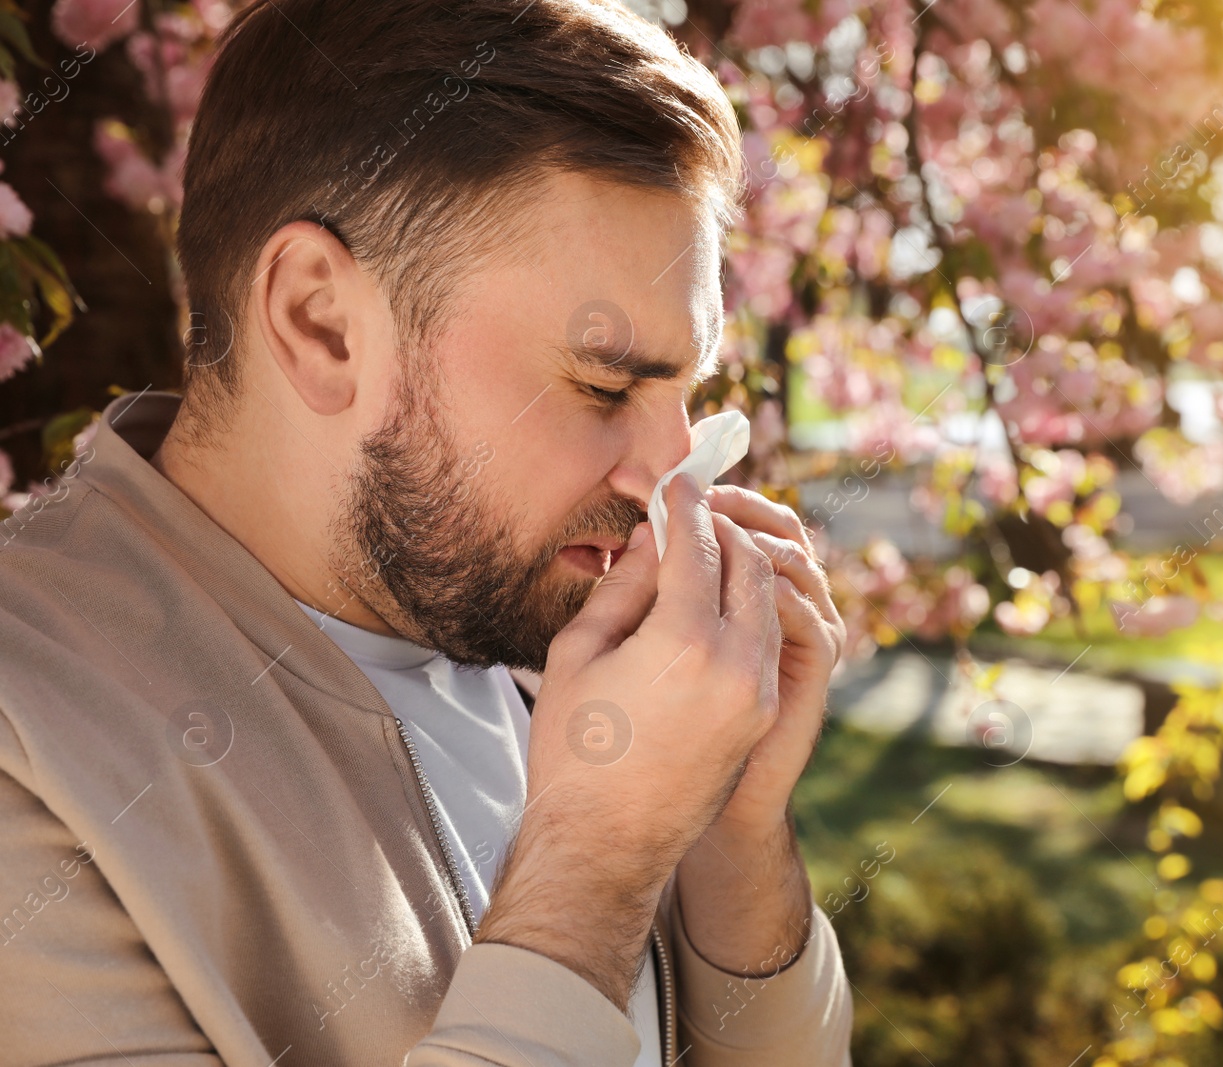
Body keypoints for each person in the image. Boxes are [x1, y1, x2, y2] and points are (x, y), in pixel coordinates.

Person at [0, 0, 853, 1063]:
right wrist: (594, 858)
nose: (666, 472)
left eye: (685, 391)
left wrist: (732, 828)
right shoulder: (29, 743)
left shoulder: (529, 630)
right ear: (322, 323)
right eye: (601, 383)